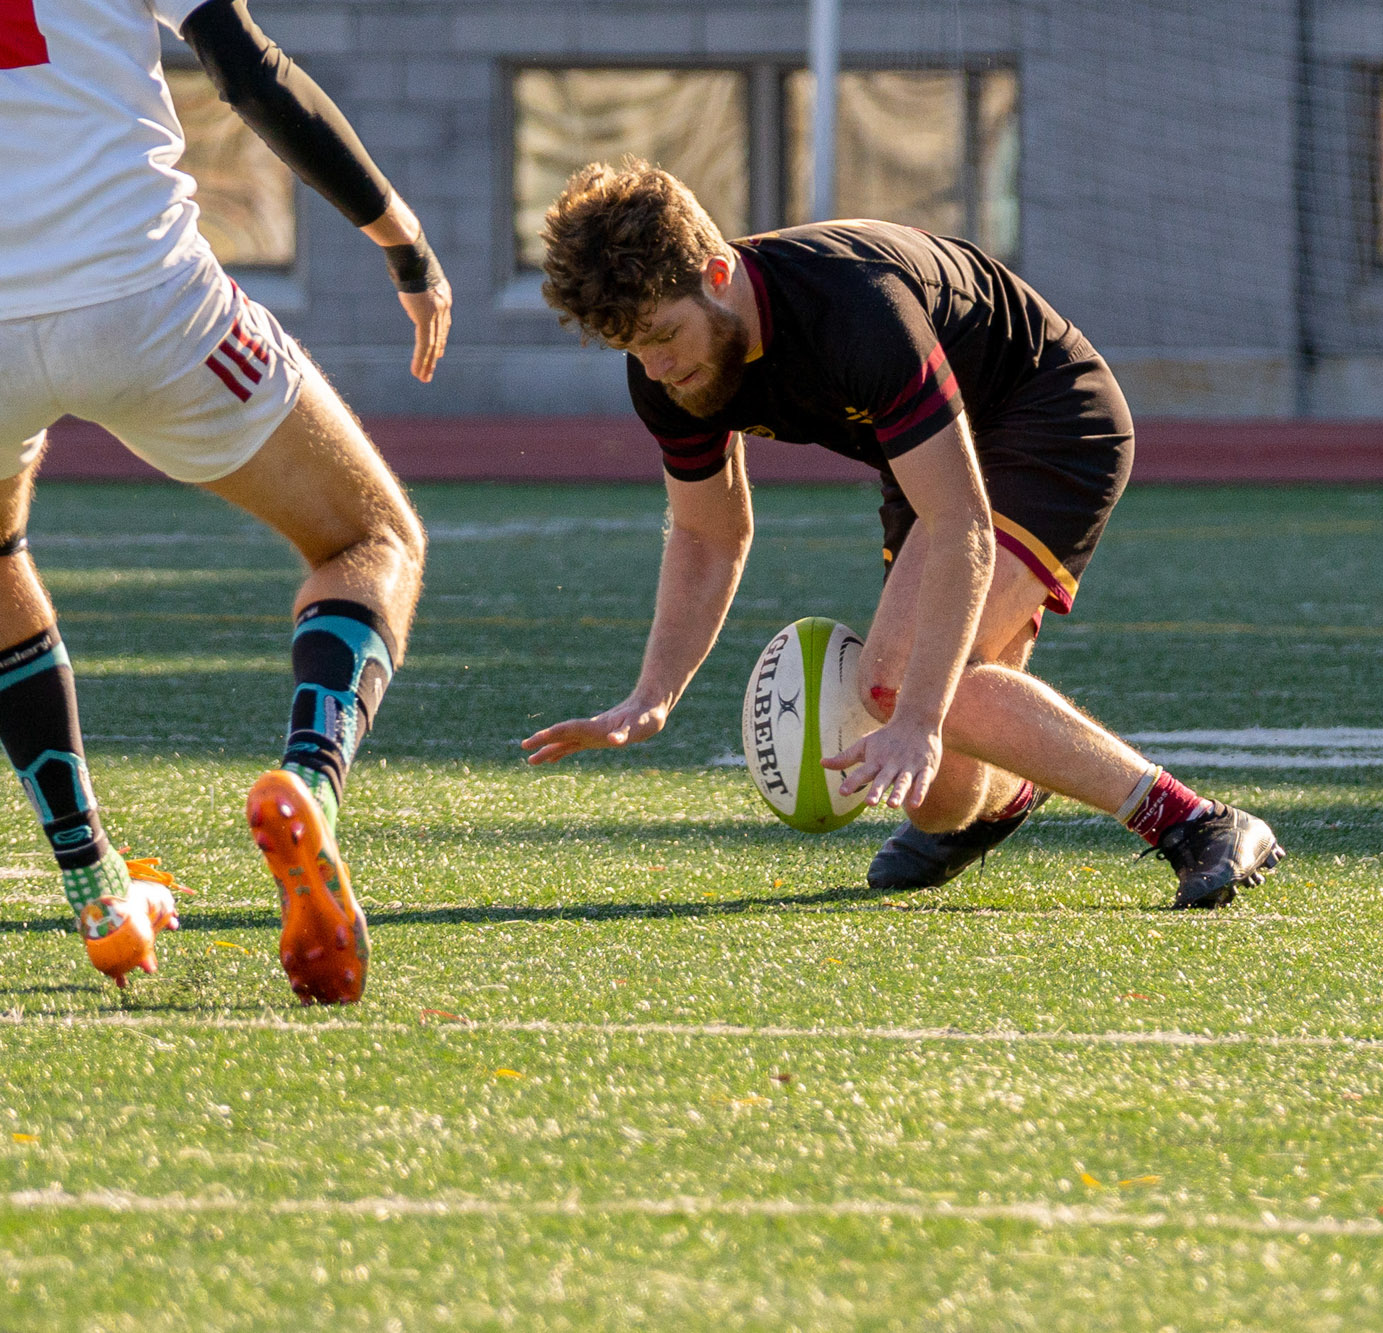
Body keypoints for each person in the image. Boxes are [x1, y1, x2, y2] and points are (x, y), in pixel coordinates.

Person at [522, 162, 1283, 908]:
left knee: (897, 682)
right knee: (943, 802)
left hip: (1046, 414)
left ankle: (1193, 822)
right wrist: (654, 694)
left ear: (717, 274)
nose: (656, 367)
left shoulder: (855, 310)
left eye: (662, 334)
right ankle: (1013, 792)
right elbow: (707, 537)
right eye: (631, 348)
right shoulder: (665, 372)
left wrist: (918, 714)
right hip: (929, 457)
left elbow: (962, 527)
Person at [0, 0, 444, 1001]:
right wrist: (399, 234)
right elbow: (247, 71)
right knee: (369, 537)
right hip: (145, 300)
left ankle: (97, 885)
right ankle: (309, 785)